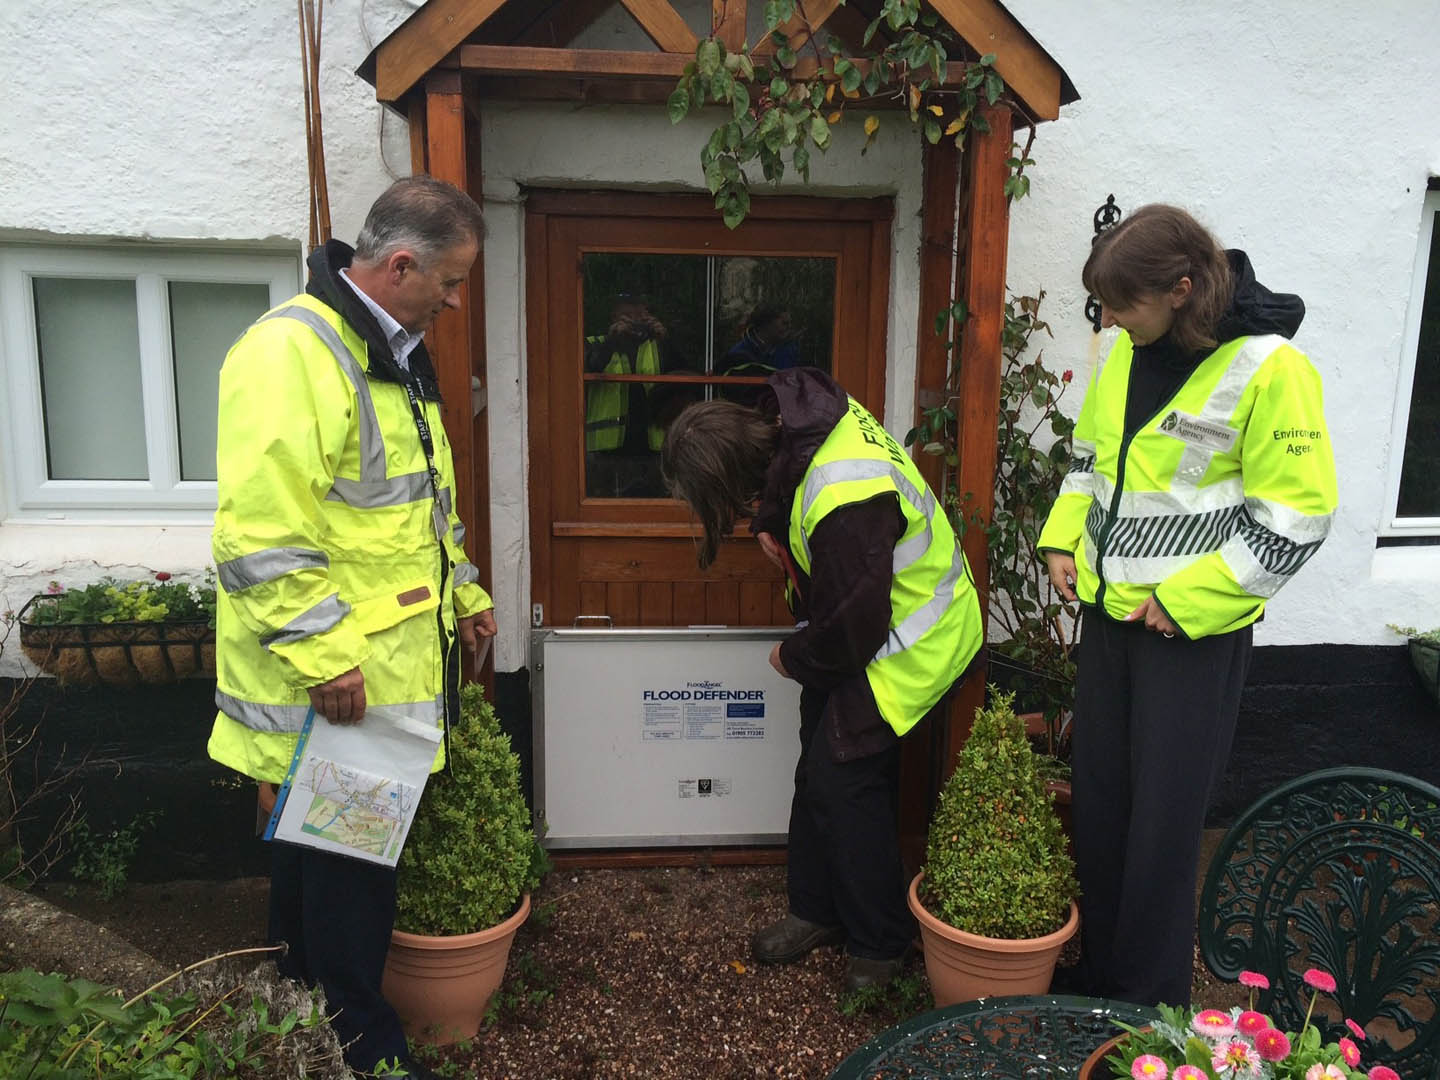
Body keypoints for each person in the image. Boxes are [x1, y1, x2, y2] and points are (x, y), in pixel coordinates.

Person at [207, 176, 497, 1079]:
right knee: (351, 881)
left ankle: (292, 1023)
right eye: (449, 283)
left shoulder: (391, 350)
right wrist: (326, 657)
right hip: (334, 688)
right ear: (400, 263)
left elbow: (417, 511)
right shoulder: (293, 353)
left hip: (375, 677)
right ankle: (362, 1046)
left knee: (312, 867)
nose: (455, 303)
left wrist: (469, 597)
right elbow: (260, 533)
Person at [1037, 204, 1337, 1007]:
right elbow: (1092, 464)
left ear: (1179, 288)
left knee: (1163, 828)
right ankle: (1097, 974)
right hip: (1109, 623)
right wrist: (1064, 540)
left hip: (1189, 638)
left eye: (1120, 305)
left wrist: (1187, 602)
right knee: (1100, 811)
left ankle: (1144, 1002)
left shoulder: (1272, 370)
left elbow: (1297, 518)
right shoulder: (1128, 354)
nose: (1110, 321)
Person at [661, 368, 984, 991]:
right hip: (867, 629)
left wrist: (794, 657)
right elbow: (786, 484)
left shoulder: (847, 497)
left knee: (844, 782)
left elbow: (850, 630)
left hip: (917, 643)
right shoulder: (799, 420)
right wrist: (766, 524)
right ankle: (816, 911)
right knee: (817, 768)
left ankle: (881, 944)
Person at [584, 294, 683, 497]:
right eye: (627, 316)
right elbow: (590, 367)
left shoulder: (659, 345)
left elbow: (686, 380)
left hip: (654, 449)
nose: (634, 323)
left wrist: (666, 340)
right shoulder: (597, 343)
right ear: (613, 317)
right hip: (607, 453)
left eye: (639, 316)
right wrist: (613, 341)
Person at [717, 306, 800, 407]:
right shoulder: (738, 354)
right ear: (766, 324)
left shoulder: (790, 349)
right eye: (784, 323)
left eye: (789, 324)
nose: (788, 328)